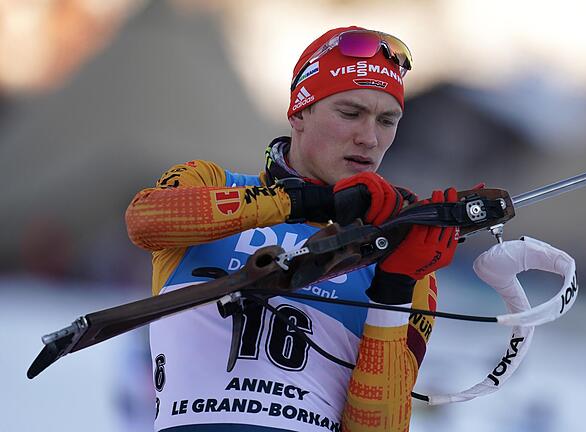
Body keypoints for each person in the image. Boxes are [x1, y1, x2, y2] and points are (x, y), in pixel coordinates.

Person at [125, 26, 460, 432]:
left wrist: (394, 288)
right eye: (350, 113)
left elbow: (377, 427)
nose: (369, 137)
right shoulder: (210, 182)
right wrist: (301, 201)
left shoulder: (395, 247)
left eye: (387, 120)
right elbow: (145, 221)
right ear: (299, 111)